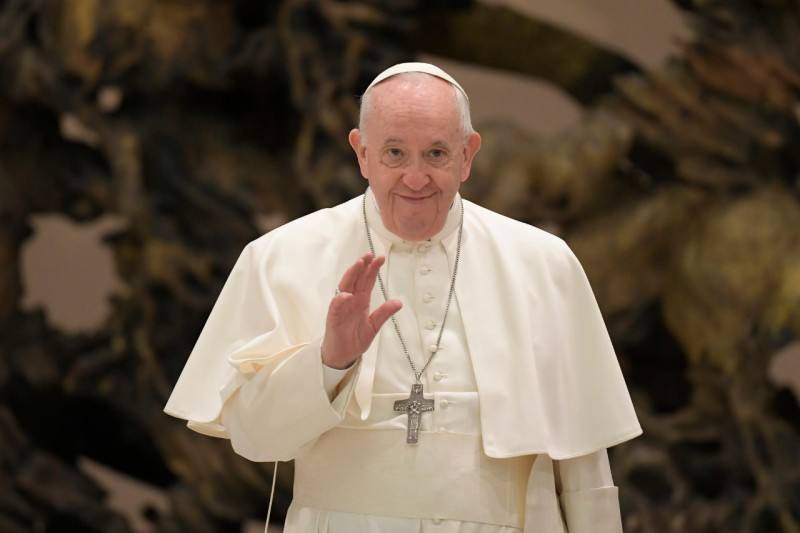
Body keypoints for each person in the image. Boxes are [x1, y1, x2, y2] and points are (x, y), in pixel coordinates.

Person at [164, 62, 642, 532]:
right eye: (394, 153)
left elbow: (584, 462)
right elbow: (254, 439)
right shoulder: (281, 257)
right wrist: (330, 363)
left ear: (468, 154)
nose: (416, 178)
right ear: (362, 153)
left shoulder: (542, 263)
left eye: (436, 154)